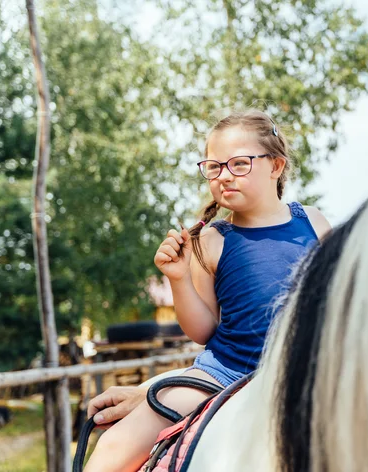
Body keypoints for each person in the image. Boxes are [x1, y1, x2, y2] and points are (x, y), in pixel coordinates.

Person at [84, 110, 331, 472]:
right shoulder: (211, 241)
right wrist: (179, 278)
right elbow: (202, 331)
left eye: (239, 164)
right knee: (112, 449)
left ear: (275, 166)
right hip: (225, 373)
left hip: (311, 368)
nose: (224, 176)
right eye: (214, 167)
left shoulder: (313, 221)